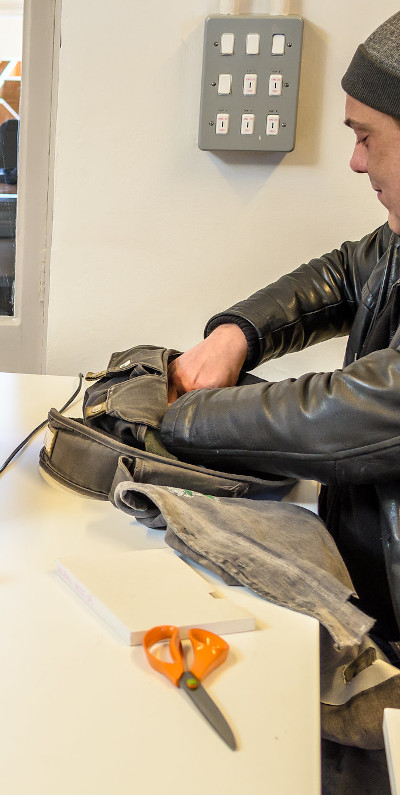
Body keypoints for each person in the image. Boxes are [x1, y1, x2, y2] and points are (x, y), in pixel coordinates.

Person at [164, 12, 400, 645]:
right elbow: (350, 273)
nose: (354, 161)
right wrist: (237, 334)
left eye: (366, 137)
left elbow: (357, 410)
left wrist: (180, 416)